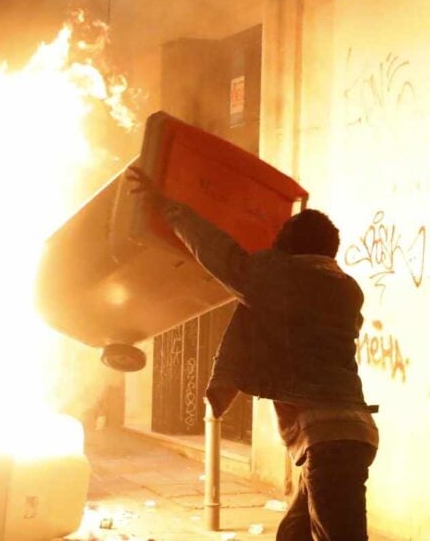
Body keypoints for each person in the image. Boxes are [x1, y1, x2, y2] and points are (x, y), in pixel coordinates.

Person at [128, 167, 378, 541]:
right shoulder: (346, 289)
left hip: (327, 441)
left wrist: (166, 206)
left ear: (289, 250)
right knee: (292, 533)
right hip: (350, 433)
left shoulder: (281, 281)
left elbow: (217, 251)